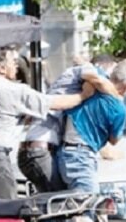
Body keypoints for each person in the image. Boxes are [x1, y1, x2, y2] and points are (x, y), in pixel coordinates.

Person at [0, 46, 94, 200]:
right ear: (2, 68)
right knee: (5, 215)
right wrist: (83, 95)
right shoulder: (14, 90)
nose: (16, 65)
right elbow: (55, 103)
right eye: (13, 62)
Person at [18, 54, 118, 193]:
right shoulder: (85, 70)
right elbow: (94, 78)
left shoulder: (75, 88)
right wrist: (117, 98)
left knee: (53, 204)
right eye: (110, 75)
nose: (109, 80)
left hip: (34, 151)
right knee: (61, 204)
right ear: (102, 67)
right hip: (40, 151)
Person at [56, 59, 126, 193]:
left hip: (62, 152)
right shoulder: (119, 109)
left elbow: (83, 66)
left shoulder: (95, 79)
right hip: (82, 158)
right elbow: (114, 140)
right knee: (88, 206)